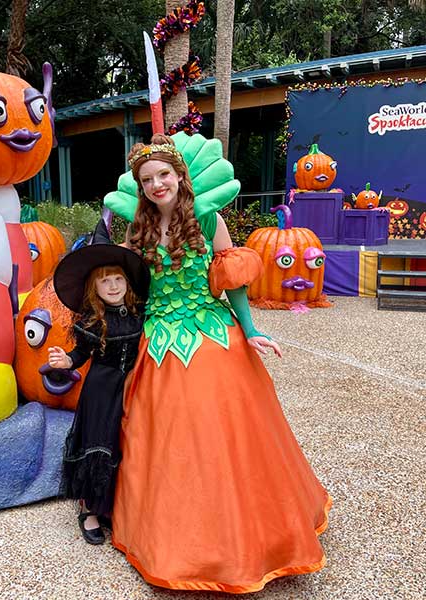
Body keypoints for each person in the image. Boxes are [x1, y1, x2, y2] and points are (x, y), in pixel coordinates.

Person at [104, 134, 332, 592]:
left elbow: (232, 283)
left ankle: (247, 536)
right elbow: (128, 284)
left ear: (179, 176)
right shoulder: (135, 229)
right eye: (147, 179)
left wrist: (250, 330)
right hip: (160, 335)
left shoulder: (209, 220)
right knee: (166, 435)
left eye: (163, 175)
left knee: (227, 430)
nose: (156, 185)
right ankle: (172, 539)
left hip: (210, 328)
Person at [50, 217, 149, 545]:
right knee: (100, 443)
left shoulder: (139, 313)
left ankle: (114, 504)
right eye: (105, 281)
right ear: (94, 287)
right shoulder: (93, 321)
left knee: (124, 444)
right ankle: (90, 509)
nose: (113, 286)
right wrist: (65, 362)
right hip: (101, 391)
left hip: (132, 388)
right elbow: (80, 354)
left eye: (118, 278)